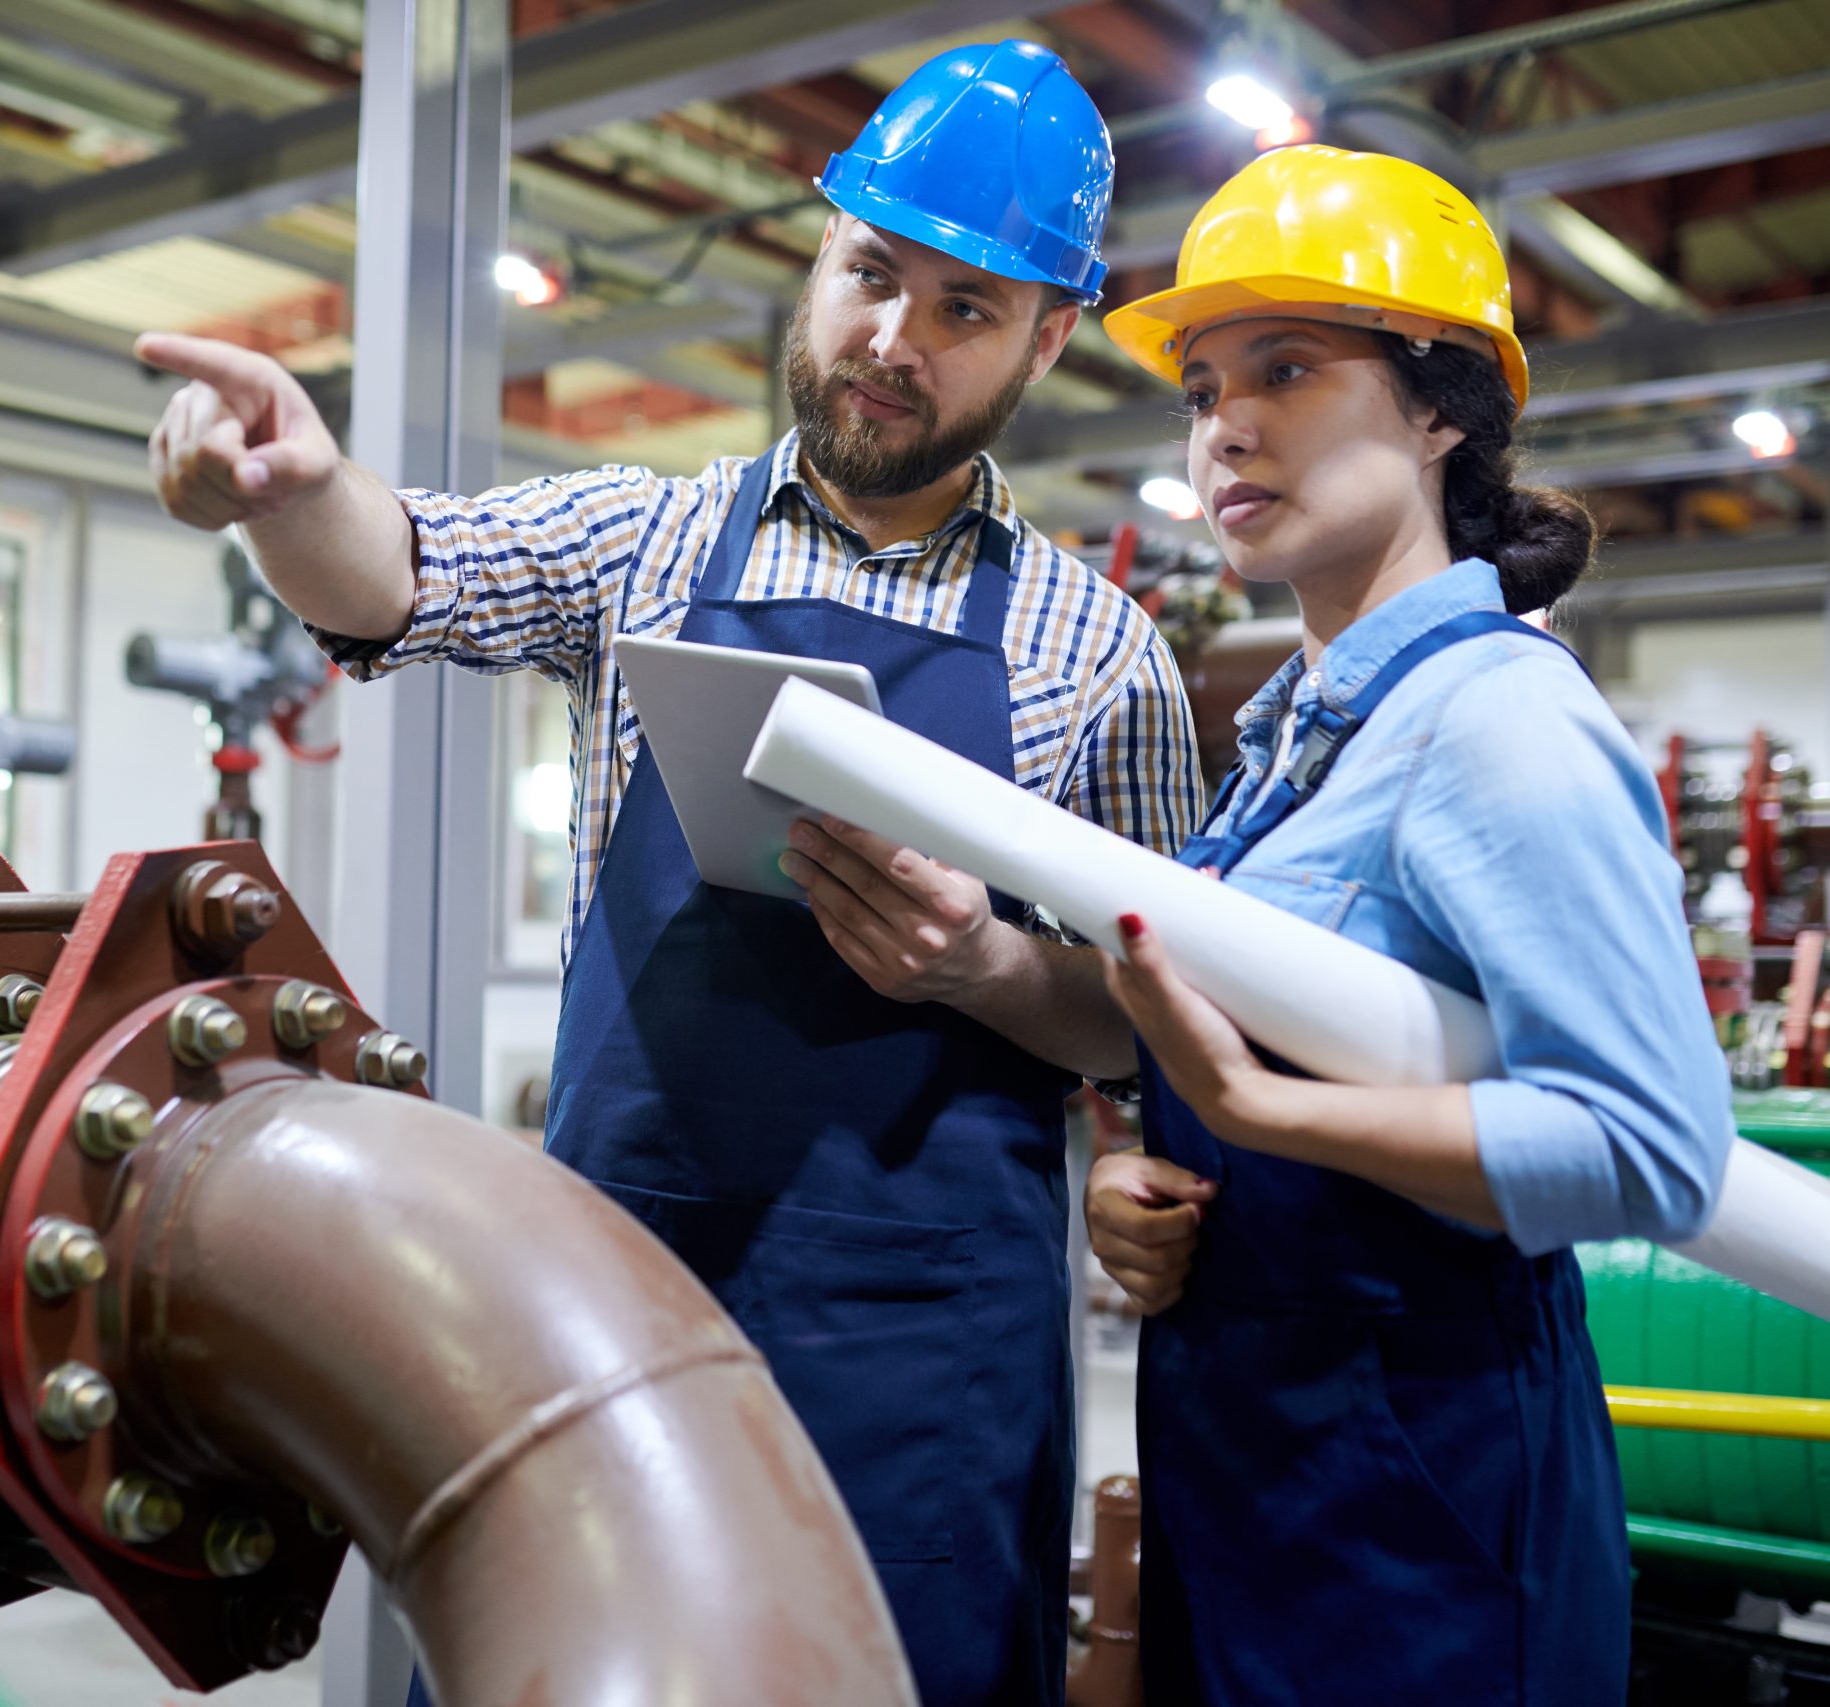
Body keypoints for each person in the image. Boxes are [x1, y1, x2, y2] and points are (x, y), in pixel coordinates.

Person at [141, 40, 1204, 1706]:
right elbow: (403, 572)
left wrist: (986, 973)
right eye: (873, 275)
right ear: (820, 253)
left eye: (965, 311)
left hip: (928, 1360)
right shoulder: (649, 546)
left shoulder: (1101, 652)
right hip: (613, 1304)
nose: (889, 342)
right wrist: (293, 488)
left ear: (1051, 337)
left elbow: (1154, 1018)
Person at [1082, 144, 1735, 1703]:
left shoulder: (1497, 722)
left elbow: (1653, 1148)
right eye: (1198, 385)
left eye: (1288, 368)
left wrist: (1260, 1109)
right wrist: (1142, 1176)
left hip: (1420, 1513)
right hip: (1258, 1478)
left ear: (1443, 407)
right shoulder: (1304, 742)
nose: (1223, 424)